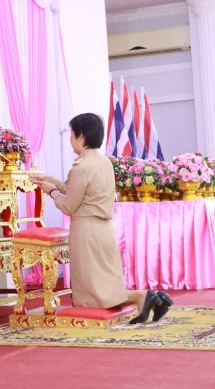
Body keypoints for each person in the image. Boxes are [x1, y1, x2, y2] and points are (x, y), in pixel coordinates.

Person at [31, 113, 172, 324]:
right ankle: (151, 298)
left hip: (86, 231)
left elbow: (68, 206)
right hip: (103, 229)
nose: (70, 139)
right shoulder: (103, 162)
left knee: (93, 295)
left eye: (71, 134)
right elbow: (78, 190)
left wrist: (52, 192)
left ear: (80, 136)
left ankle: (142, 295)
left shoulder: (81, 167)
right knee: (104, 286)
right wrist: (50, 179)